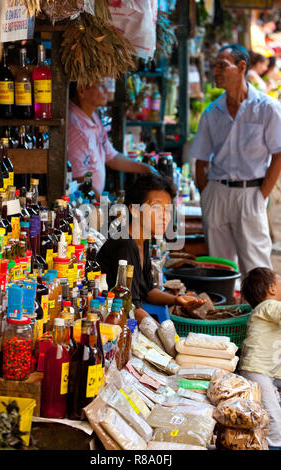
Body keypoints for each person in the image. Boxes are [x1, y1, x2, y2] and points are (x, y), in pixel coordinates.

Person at [189, 44, 281, 277]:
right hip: (217, 193)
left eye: (222, 65)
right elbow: (200, 160)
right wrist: (207, 195)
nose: (216, 72)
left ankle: (261, 313)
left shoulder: (267, 108)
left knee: (257, 267)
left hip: (250, 193)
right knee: (220, 269)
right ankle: (226, 311)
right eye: (214, 67)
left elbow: (279, 154)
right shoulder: (212, 112)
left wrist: (261, 195)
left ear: (241, 67)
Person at [97, 173, 205, 325]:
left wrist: (177, 299)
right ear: (134, 210)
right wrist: (160, 331)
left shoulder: (143, 240)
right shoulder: (125, 245)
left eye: (167, 210)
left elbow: (148, 292)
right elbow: (130, 307)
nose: (164, 216)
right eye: (156, 207)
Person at [67, 80, 157, 199]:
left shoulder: (92, 116)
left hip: (95, 198)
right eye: (100, 85)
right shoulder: (75, 127)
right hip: (83, 202)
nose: (106, 90)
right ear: (82, 91)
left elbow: (112, 157)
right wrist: (105, 207)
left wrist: (145, 168)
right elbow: (79, 179)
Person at [239, 267, 281, 450]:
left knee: (267, 413)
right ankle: (274, 445)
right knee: (273, 418)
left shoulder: (265, 310)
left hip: (266, 372)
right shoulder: (268, 306)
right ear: (272, 289)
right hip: (257, 371)